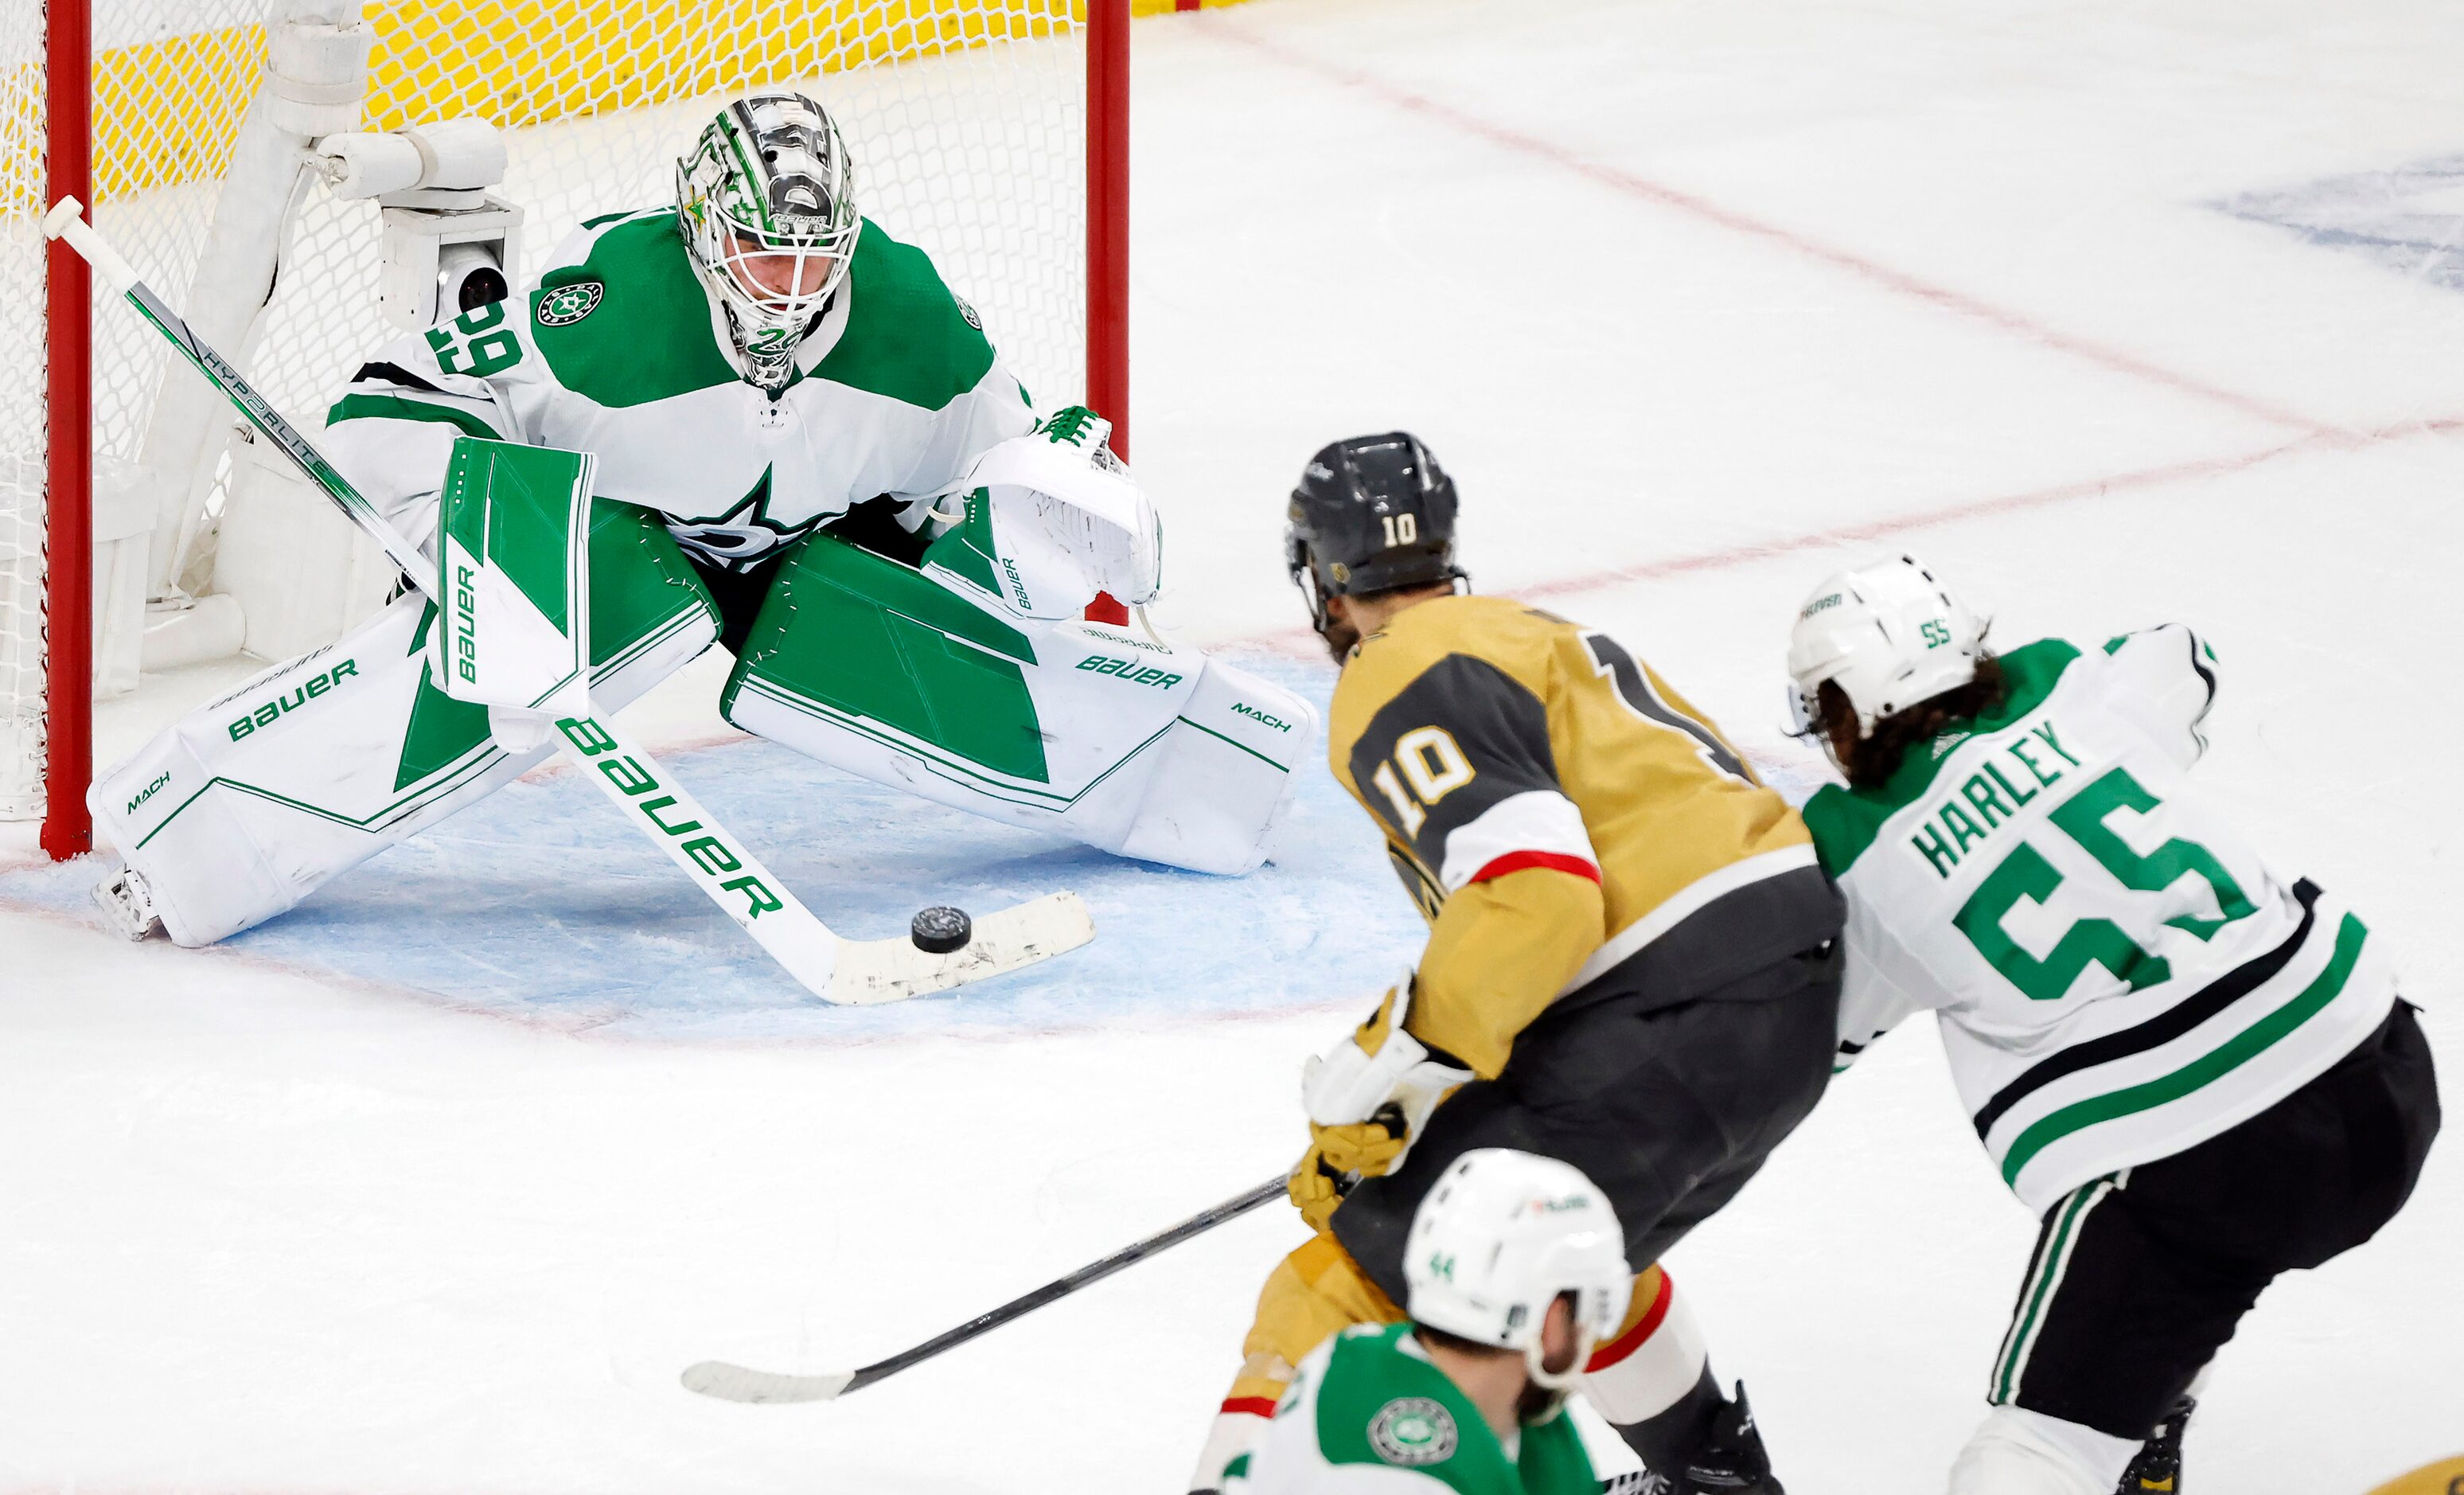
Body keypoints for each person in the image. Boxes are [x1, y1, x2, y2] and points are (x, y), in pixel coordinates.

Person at [88, 89, 1309, 947]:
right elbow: (390, 402)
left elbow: (1016, 449)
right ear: (700, 226)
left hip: (829, 550)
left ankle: (1211, 785)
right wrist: (474, 539)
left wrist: (1054, 496)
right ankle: (183, 843)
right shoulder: (594, 308)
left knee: (886, 637)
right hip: (623, 544)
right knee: (537, 639)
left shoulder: (913, 315)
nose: (789, 291)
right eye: (760, 256)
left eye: (814, 260)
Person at [1190, 433, 1845, 1494]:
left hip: (1669, 1000)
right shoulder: (1543, 633)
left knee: (1351, 1275)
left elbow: (1537, 891)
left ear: (1322, 576)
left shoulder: (1395, 660)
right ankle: (1719, 1482)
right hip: (1787, 998)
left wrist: (1393, 1071)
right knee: (1543, 1236)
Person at [1784, 556, 2441, 1494]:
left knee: (2038, 1450)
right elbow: (2187, 656)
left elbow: (1812, 1035)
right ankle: (2151, 1408)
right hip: (2378, 1063)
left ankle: (2120, 1420)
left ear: (1843, 708)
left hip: (2197, 1161)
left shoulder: (1848, 854)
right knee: (2188, 1254)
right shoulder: (2066, 679)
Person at [1230, 1149, 1628, 1493]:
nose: (1590, 1331)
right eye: (1592, 1307)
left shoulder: (1352, 1352)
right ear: (1552, 1320)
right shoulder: (1388, 1473)